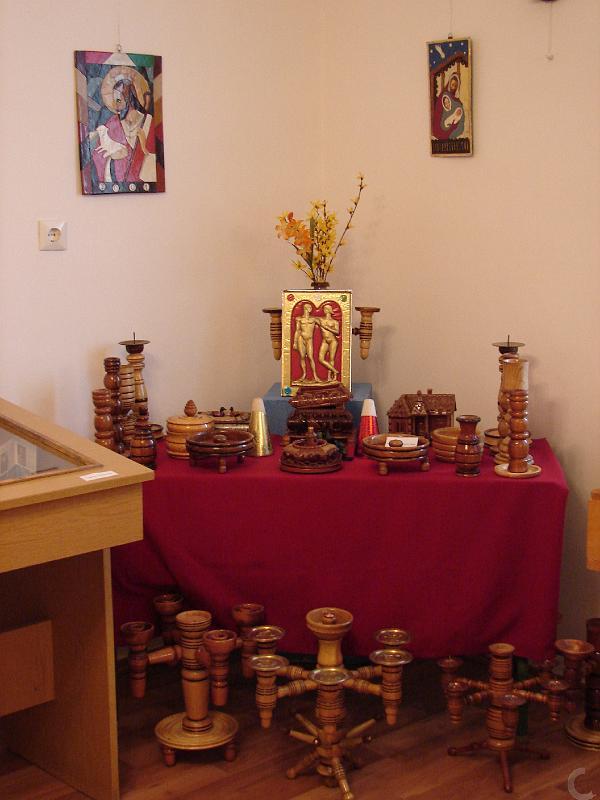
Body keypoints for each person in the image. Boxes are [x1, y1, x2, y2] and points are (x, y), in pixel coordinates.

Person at [90, 68, 157, 186]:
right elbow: (98, 154)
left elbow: (156, 166)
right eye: (114, 100)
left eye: (118, 100)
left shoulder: (148, 122)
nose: (115, 105)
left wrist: (143, 146)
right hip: (116, 183)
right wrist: (112, 157)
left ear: (130, 97)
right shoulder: (112, 123)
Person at [432, 72, 465, 140]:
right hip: (442, 125)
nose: (454, 87)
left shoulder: (457, 101)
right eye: (452, 85)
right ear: (449, 84)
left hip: (454, 122)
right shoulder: (444, 95)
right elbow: (440, 111)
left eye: (455, 85)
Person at [293, 302, 320, 383]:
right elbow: (297, 330)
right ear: (305, 308)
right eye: (309, 307)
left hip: (309, 339)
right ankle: (304, 375)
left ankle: (315, 375)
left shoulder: (314, 319)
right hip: (301, 338)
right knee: (302, 356)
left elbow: (323, 325)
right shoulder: (299, 319)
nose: (311, 309)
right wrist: (295, 342)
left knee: (310, 357)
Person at [315, 303, 340, 381]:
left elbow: (337, 332)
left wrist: (327, 328)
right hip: (325, 341)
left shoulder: (334, 322)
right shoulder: (320, 320)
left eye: (326, 309)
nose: (324, 310)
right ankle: (334, 371)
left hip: (333, 341)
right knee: (320, 358)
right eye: (324, 309)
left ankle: (330, 377)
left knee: (331, 359)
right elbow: (312, 318)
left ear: (329, 310)